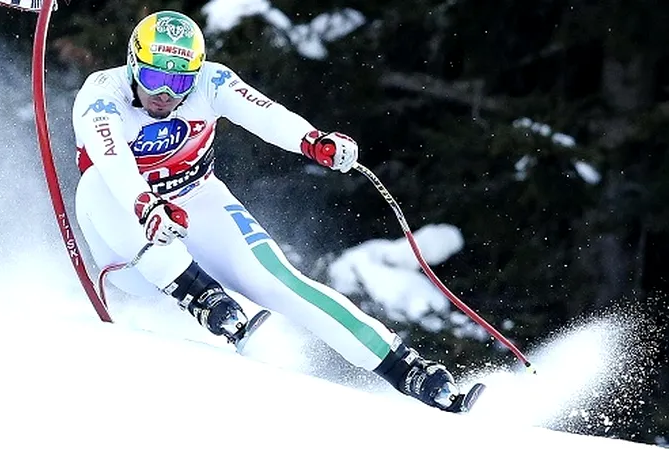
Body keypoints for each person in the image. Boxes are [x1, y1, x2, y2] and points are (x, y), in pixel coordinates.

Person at [71, 10, 472, 412]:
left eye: (178, 82)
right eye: (156, 78)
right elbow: (113, 161)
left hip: (195, 199)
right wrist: (147, 207)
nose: (165, 94)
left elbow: (263, 112)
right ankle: (202, 296)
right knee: (96, 185)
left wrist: (312, 141)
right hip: (126, 242)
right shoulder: (103, 94)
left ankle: (408, 370)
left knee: (281, 282)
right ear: (132, 65)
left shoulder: (211, 82)